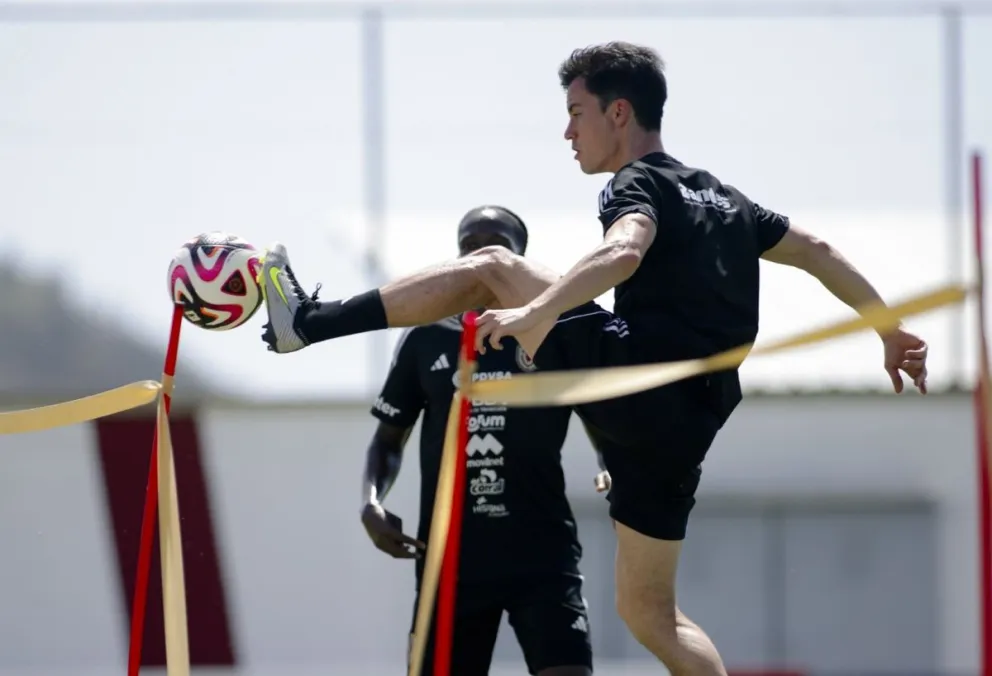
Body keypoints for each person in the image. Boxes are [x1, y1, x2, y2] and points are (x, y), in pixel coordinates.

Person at [256, 42, 930, 675]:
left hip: (633, 378)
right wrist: (889, 330)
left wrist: (534, 313)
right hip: (686, 429)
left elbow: (624, 251)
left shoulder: (636, 184)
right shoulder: (728, 199)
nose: (568, 132)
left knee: (492, 266)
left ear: (619, 113)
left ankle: (307, 324)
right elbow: (817, 251)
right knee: (650, 615)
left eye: (576, 113)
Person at [360, 205, 608, 676]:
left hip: (542, 552)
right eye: (468, 247)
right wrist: (371, 501)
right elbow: (388, 438)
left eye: (494, 247)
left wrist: (610, 464)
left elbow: (602, 417)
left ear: (519, 259)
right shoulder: (426, 337)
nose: (479, 258)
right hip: (451, 560)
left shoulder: (554, 332)